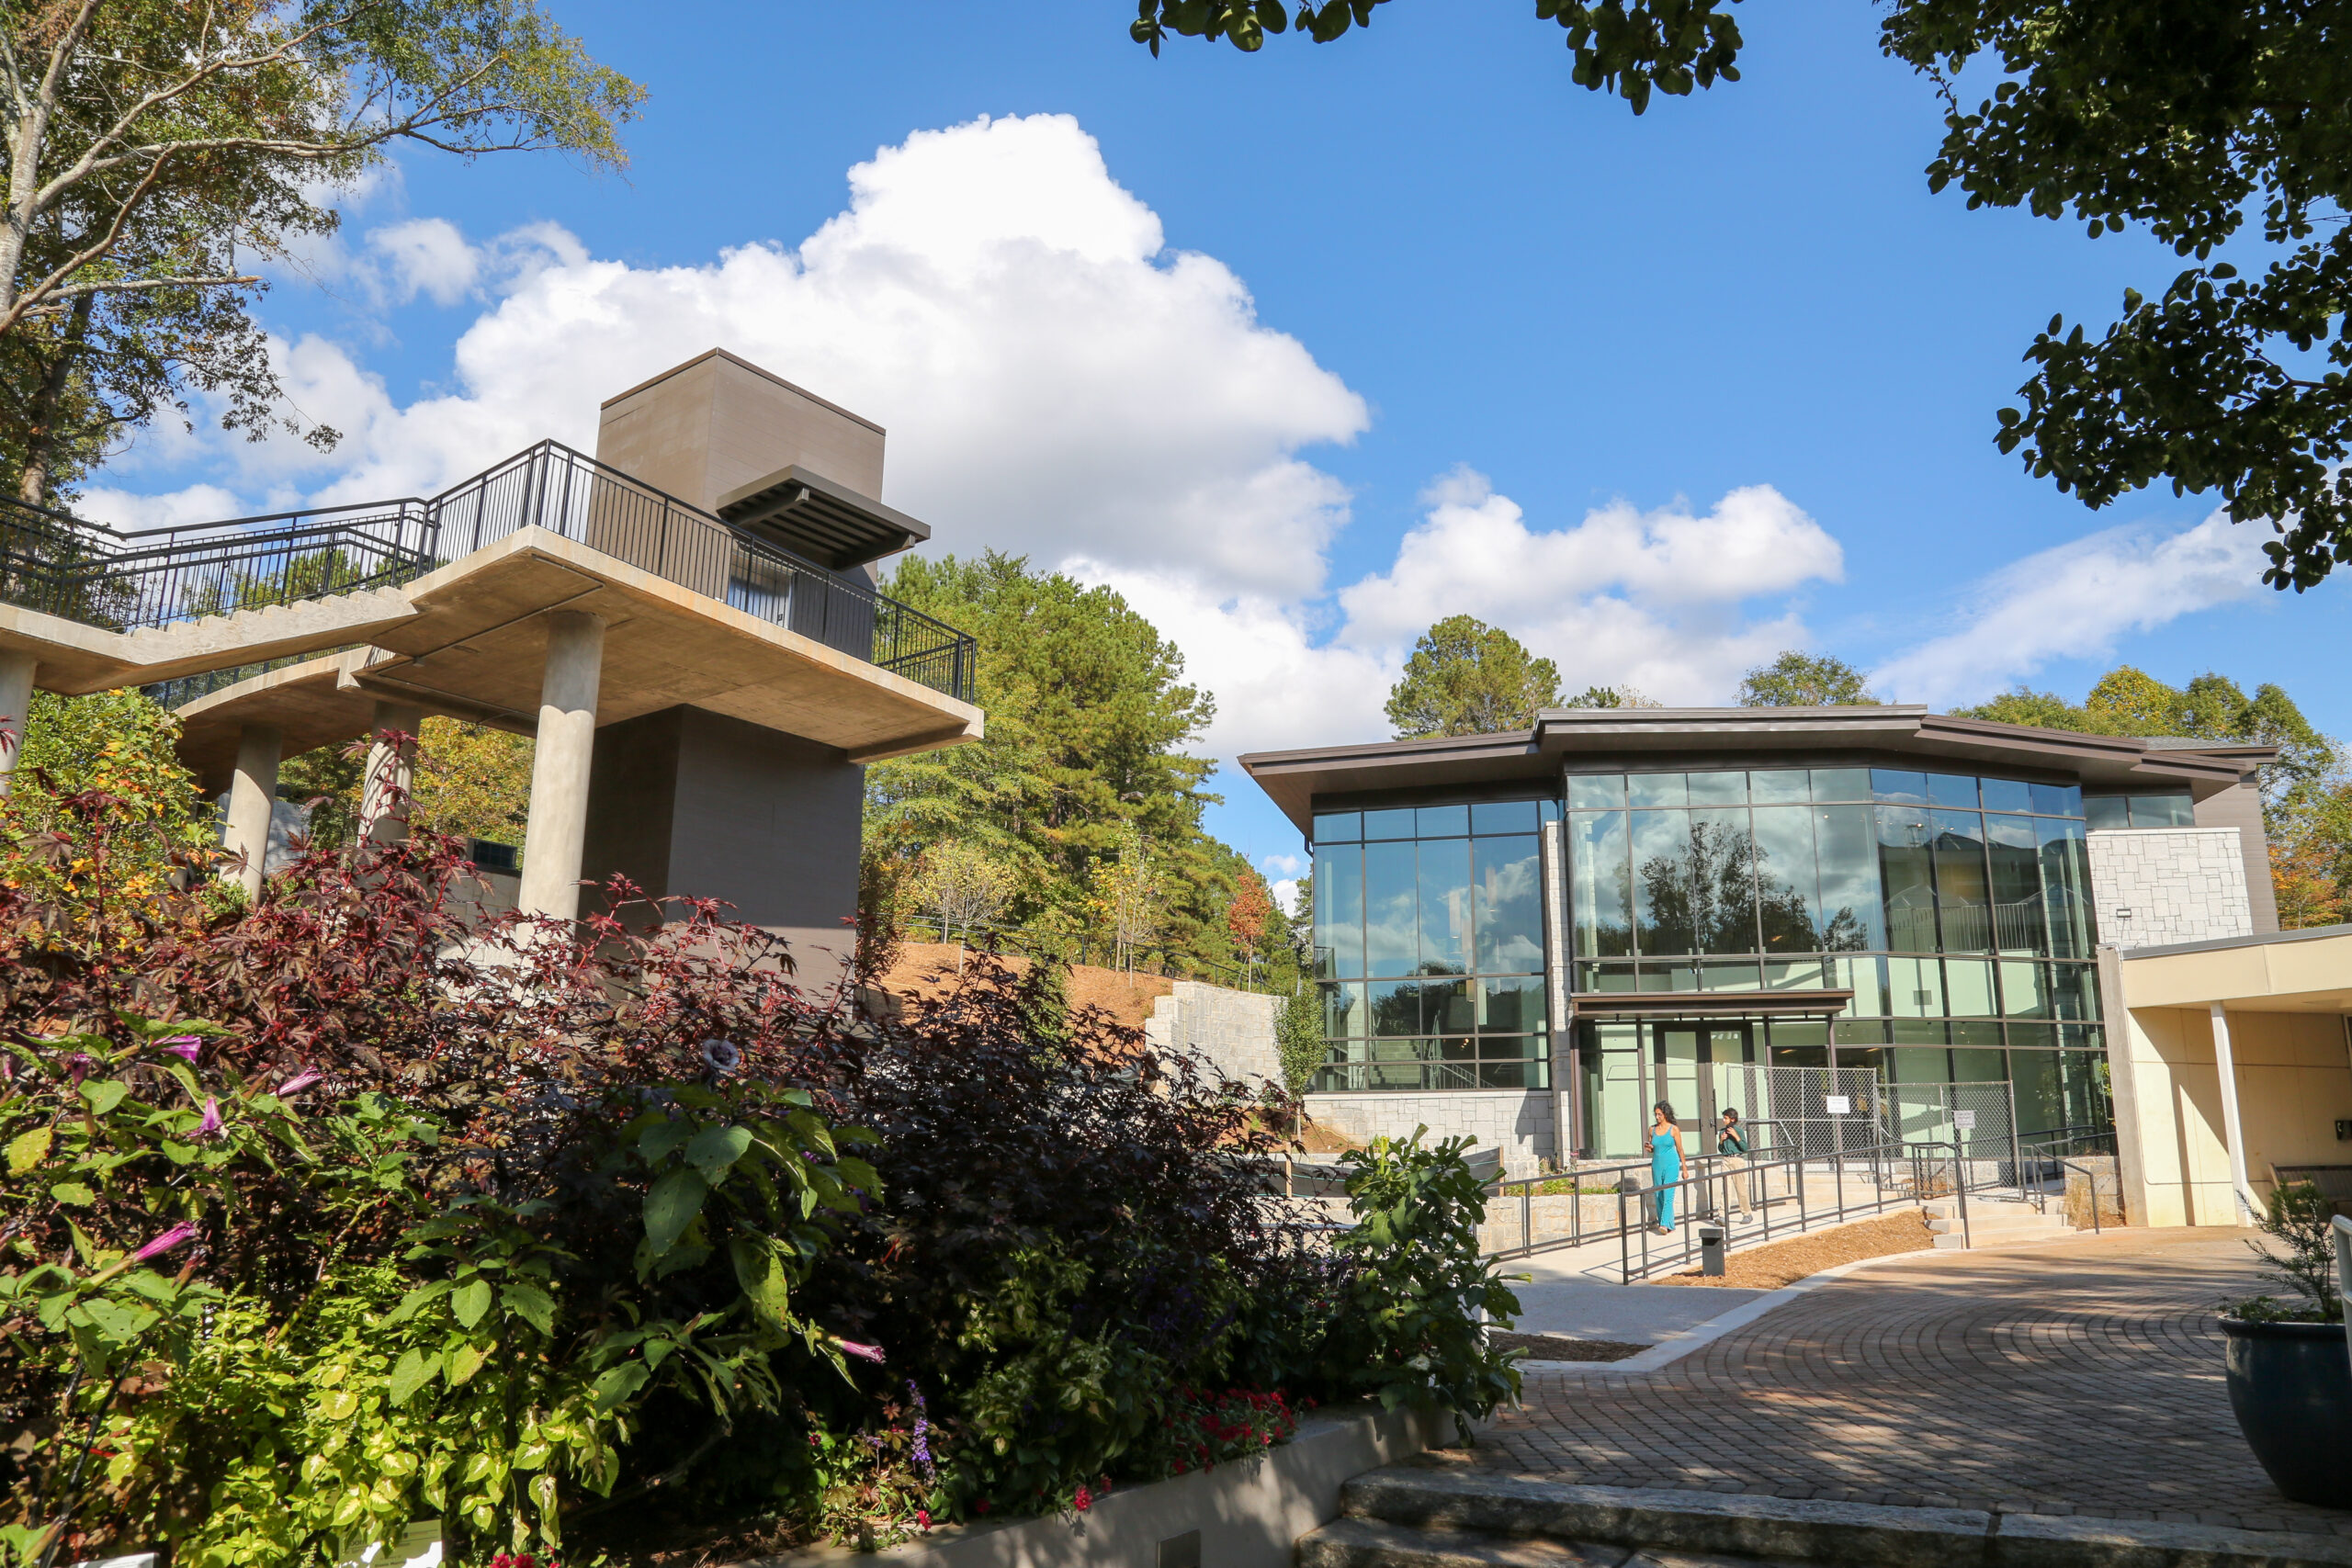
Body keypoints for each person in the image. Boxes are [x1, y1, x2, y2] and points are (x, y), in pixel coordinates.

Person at [1649, 1100, 1685, 1234]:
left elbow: (1680, 1150)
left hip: (1672, 1164)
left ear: (1665, 1114)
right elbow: (1653, 1148)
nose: (1657, 1117)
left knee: (1668, 1193)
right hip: (1657, 1164)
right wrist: (1649, 1148)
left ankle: (1663, 1224)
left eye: (1659, 1114)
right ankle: (1669, 1224)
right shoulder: (1652, 1129)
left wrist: (1685, 1168)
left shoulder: (1673, 1129)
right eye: (1656, 1115)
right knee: (1658, 1194)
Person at [1717, 1106, 1754, 1218]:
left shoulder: (1739, 1131)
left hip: (1737, 1160)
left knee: (1740, 1188)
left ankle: (1747, 1213)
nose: (1724, 1120)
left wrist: (1736, 1136)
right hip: (1726, 1160)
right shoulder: (1722, 1132)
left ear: (1732, 1119)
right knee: (1726, 1188)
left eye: (1726, 1118)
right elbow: (1721, 1149)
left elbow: (1745, 1148)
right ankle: (1722, 1215)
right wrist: (1721, 1141)